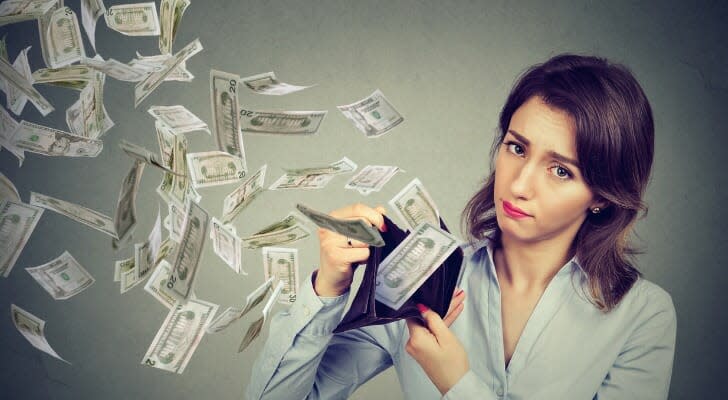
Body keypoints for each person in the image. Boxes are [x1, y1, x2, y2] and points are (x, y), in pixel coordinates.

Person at [246, 54, 677, 399]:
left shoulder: (642, 316)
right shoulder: (422, 281)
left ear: (603, 194)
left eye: (560, 170)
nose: (520, 183)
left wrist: (456, 384)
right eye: (516, 147)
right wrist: (327, 289)